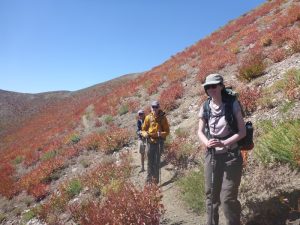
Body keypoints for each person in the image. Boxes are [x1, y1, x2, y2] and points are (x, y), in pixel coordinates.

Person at [197, 73, 246, 225]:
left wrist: (224, 143)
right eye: (207, 87)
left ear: (221, 86)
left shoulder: (232, 104)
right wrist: (207, 142)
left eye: (213, 86)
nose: (210, 89)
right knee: (211, 196)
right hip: (212, 156)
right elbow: (199, 131)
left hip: (231, 155)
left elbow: (242, 132)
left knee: (227, 198)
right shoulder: (205, 107)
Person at [141, 100, 170, 184]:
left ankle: (155, 182)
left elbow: (167, 131)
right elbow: (143, 129)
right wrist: (145, 133)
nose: (154, 109)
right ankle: (148, 181)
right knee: (150, 162)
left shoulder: (163, 118)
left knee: (156, 163)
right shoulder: (148, 117)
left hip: (159, 143)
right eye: (153, 107)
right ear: (151, 108)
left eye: (156, 107)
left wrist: (161, 134)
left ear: (159, 107)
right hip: (150, 142)